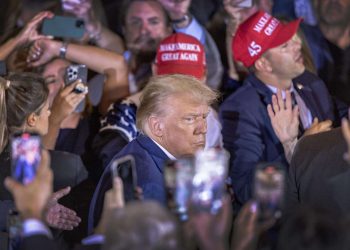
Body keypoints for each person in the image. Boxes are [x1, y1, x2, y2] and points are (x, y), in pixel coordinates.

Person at [219, 11, 345, 205]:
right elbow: (245, 190)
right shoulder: (239, 109)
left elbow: (342, 114)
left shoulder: (309, 81)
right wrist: (300, 148)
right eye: (285, 45)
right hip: (291, 222)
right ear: (264, 64)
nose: (298, 45)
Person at [88, 74, 218, 232]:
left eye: (204, 117)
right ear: (157, 127)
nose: (203, 129)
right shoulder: (149, 184)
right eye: (190, 119)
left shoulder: (140, 153)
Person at [96, 33, 223, 169]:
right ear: (154, 71)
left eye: (190, 81)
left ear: (204, 75)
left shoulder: (211, 119)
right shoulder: (124, 115)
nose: (182, 88)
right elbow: (116, 173)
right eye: (172, 80)